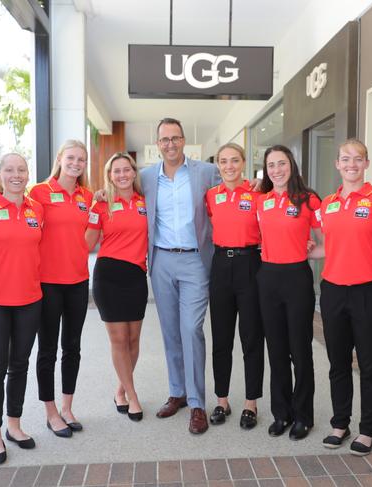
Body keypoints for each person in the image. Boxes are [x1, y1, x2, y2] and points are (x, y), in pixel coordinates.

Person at [142, 117, 221, 434]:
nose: (170, 144)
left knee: (191, 329)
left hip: (194, 260)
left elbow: (228, 198)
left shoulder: (206, 172)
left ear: (184, 140)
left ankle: (197, 402)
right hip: (161, 259)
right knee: (171, 330)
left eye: (175, 138)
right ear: (157, 144)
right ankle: (177, 392)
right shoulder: (146, 177)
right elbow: (123, 196)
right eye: (164, 139)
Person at [308, 139, 372, 456]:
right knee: (337, 363)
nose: (351, 164)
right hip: (333, 291)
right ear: (337, 164)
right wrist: (313, 252)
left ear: (366, 163)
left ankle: (368, 430)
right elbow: (332, 246)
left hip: (369, 291)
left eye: (358, 158)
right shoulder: (327, 203)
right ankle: (340, 423)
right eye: (345, 159)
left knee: (369, 365)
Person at [0, 153, 43, 464]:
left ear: (28, 175)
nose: (16, 175)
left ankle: (14, 424)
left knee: (20, 364)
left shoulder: (36, 209)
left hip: (30, 298)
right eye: (10, 170)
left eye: (22, 169)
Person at [256, 144, 321, 441]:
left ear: (291, 166)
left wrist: (307, 251)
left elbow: (328, 241)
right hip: (268, 277)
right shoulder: (262, 200)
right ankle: (281, 413)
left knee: (300, 350)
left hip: (296, 277)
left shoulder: (309, 200)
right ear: (266, 170)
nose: (277, 170)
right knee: (277, 350)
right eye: (271, 165)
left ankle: (303, 415)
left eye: (281, 164)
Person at [29, 140, 93, 438]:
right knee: (47, 350)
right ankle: (51, 411)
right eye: (71, 157)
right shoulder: (39, 192)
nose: (76, 163)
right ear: (59, 159)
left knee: (73, 347)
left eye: (81, 159)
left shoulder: (87, 196)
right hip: (47, 283)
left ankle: (67, 407)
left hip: (78, 281)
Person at [205, 142, 264, 430]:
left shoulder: (257, 193)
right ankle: (222, 400)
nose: (229, 166)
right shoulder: (211, 196)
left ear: (243, 163)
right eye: (224, 161)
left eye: (234, 160)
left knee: (251, 337)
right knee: (221, 338)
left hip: (250, 264)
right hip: (220, 266)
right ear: (218, 165)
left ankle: (251, 403)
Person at [86, 152, 148, 422]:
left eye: (126, 170)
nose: (122, 175)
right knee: (119, 340)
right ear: (110, 176)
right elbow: (87, 244)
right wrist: (90, 208)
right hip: (109, 276)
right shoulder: (101, 205)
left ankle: (121, 389)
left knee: (134, 341)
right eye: (116, 171)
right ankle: (133, 396)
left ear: (134, 173)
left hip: (136, 276)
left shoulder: (145, 202)